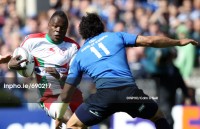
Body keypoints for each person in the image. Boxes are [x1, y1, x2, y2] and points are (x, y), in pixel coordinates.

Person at [58, 13, 199, 129]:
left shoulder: (79, 56)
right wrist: (178, 42)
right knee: (158, 116)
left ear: (82, 33)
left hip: (104, 97)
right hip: (129, 93)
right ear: (101, 26)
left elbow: (66, 94)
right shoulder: (116, 36)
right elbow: (150, 41)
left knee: (73, 125)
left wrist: (59, 116)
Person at [8, 10, 83, 129]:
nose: (58, 30)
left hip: (71, 94)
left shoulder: (73, 47)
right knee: (73, 123)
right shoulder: (32, 41)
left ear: (67, 28)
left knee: (82, 126)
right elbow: (15, 60)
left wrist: (59, 76)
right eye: (55, 26)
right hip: (49, 97)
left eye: (62, 27)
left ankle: (59, 122)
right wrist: (10, 65)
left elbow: (76, 79)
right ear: (48, 25)